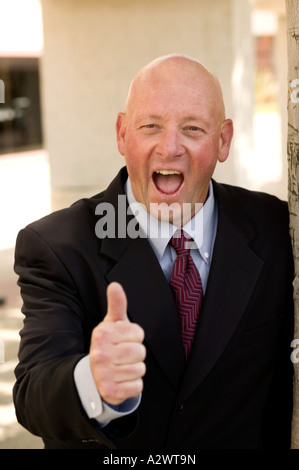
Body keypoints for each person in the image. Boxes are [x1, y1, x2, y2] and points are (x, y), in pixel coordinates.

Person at [13, 54, 294, 449]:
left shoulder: (277, 229)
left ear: (224, 140)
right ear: (122, 134)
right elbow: (33, 395)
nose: (170, 147)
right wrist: (94, 383)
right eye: (151, 127)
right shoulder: (57, 246)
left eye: (193, 128)